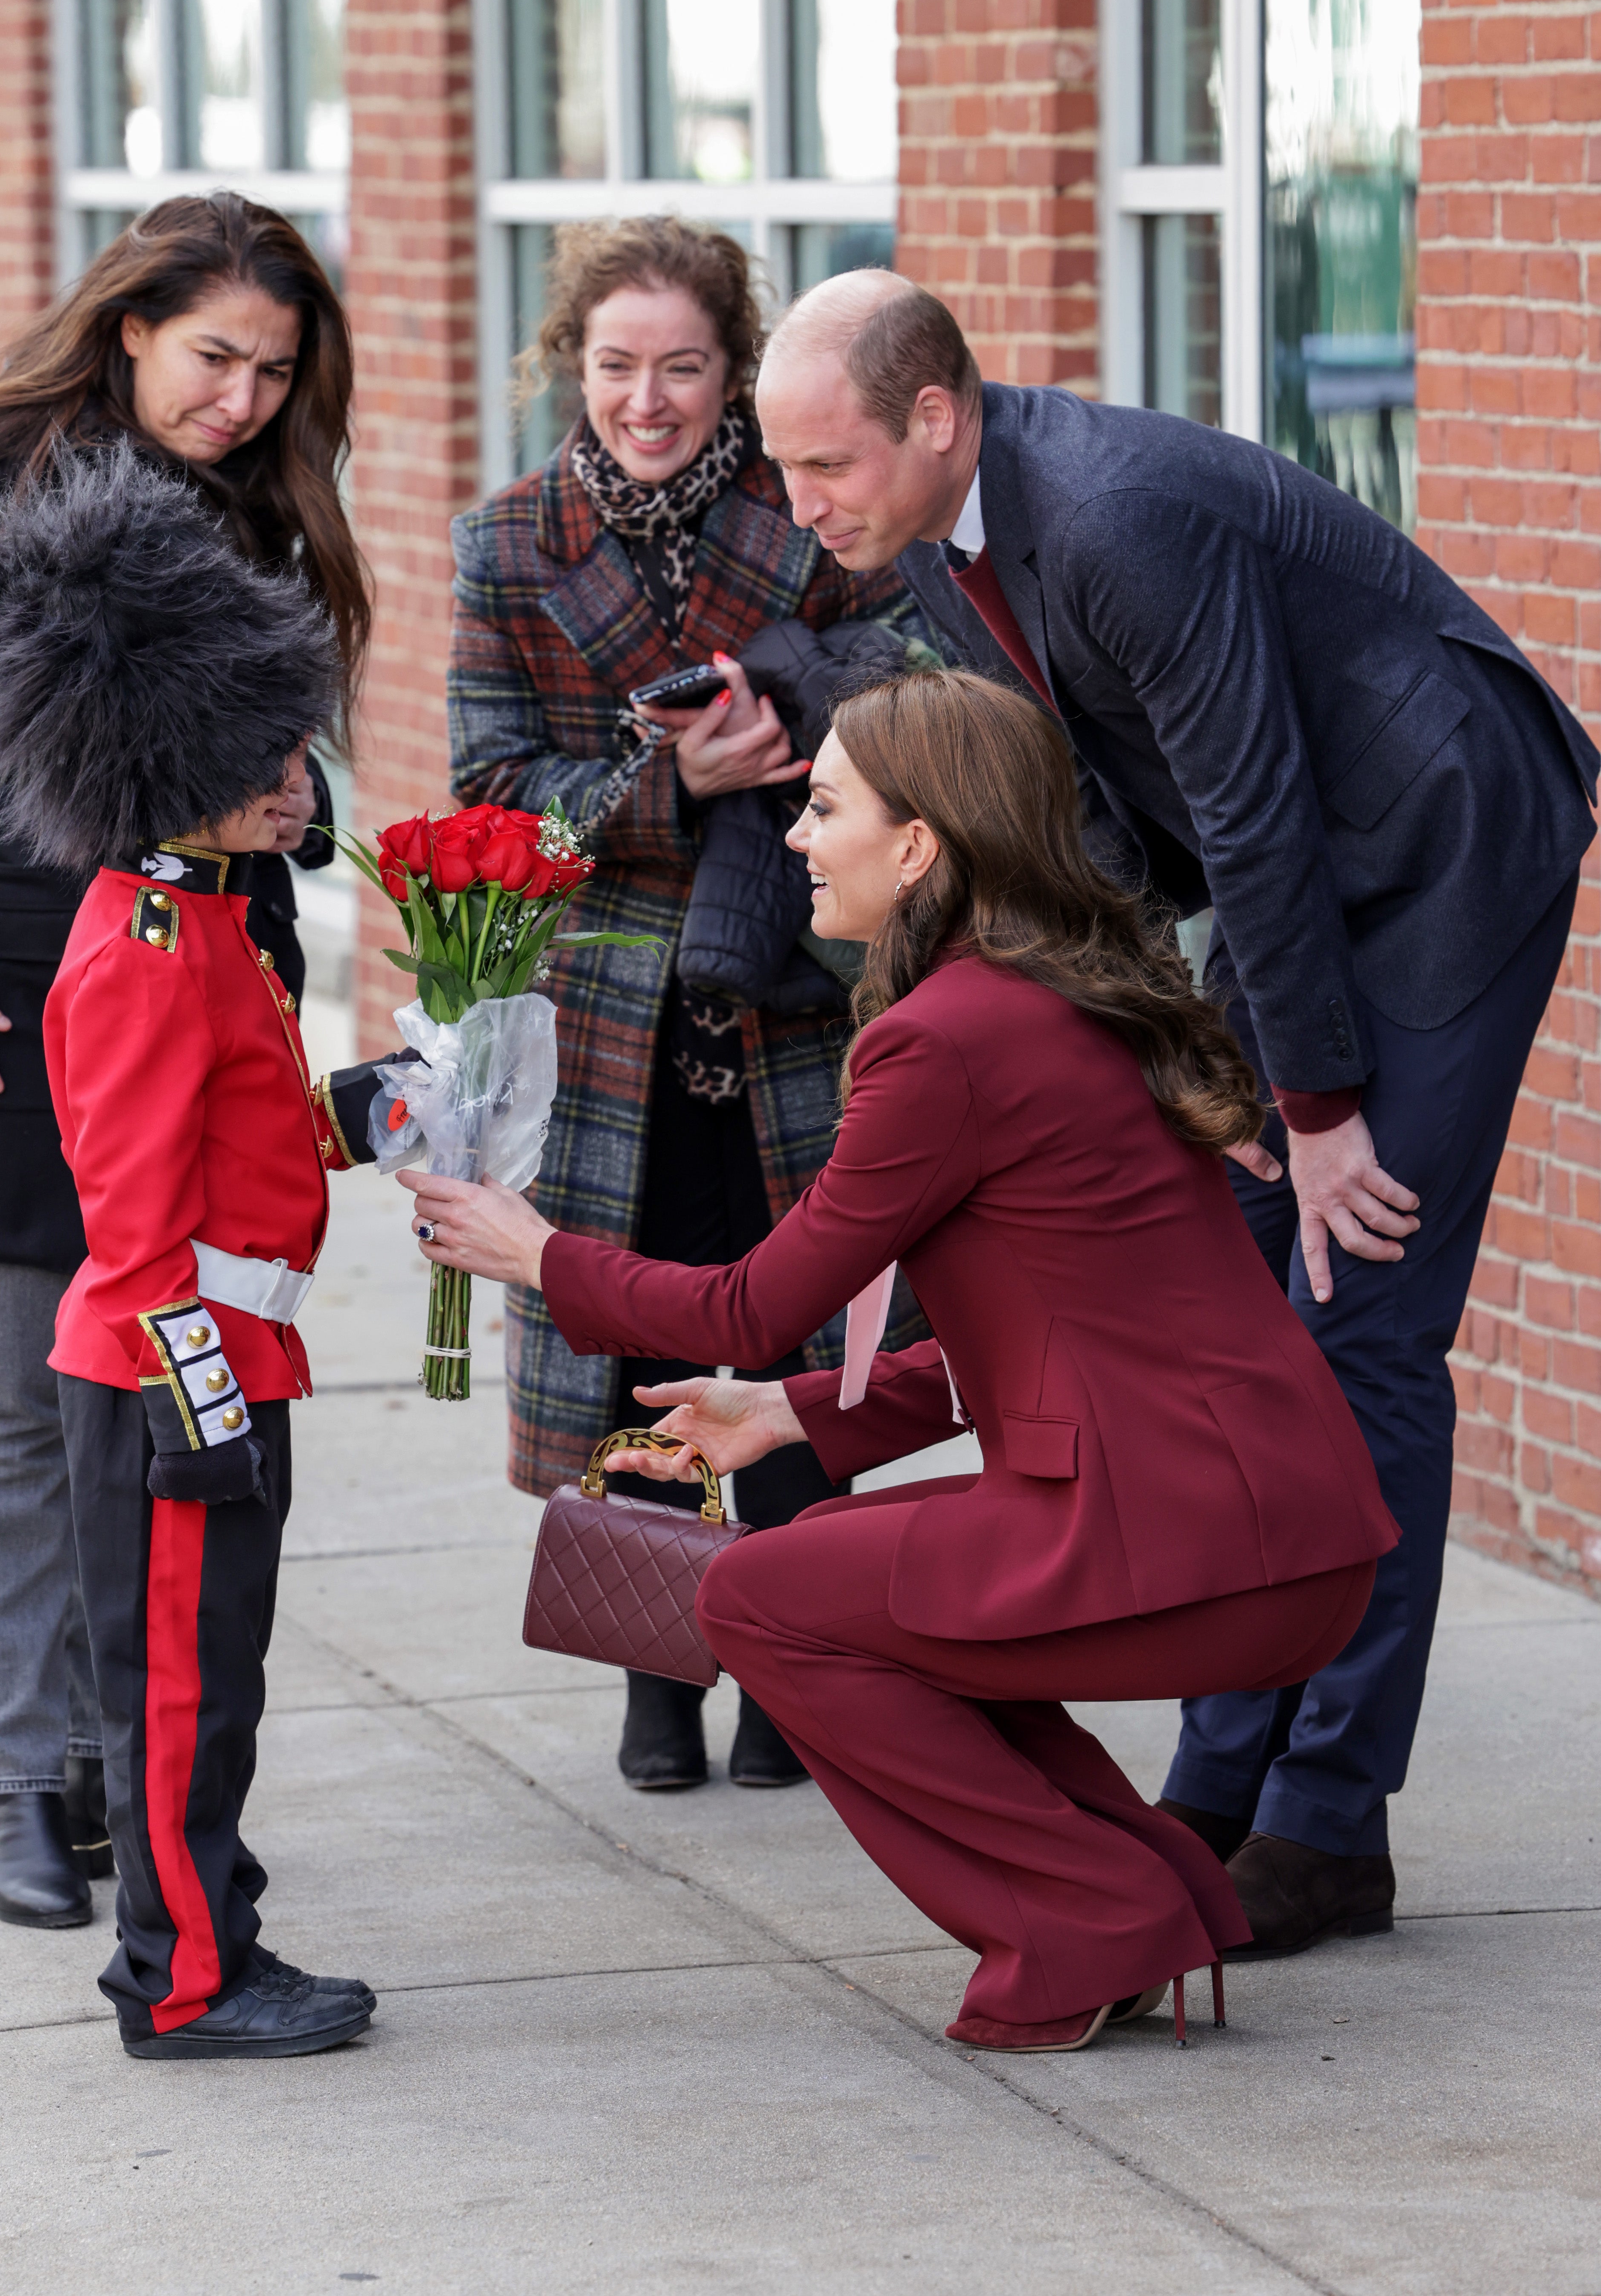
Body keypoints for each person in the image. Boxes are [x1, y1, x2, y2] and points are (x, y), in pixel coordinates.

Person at [740, 269, 1598, 1959]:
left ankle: (1326, 1823)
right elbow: (1112, 822)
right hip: (1307, 877)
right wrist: (1165, 1063)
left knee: (1356, 1318)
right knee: (1220, 1295)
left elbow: (1254, 817)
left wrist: (1313, 1106)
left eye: (823, 465)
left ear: (931, 418)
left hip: (1438, 838)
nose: (802, 507)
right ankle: (1221, 1779)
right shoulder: (944, 536)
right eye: (783, 472)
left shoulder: (1116, 520)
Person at [400, 669, 1399, 2053]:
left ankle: (1093, 1915)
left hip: (1191, 1537)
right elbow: (1056, 1326)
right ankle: (1145, 1890)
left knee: (761, 1595)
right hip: (1269, 1524)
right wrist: (787, 1414)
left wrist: (536, 1253)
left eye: (822, 807)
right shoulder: (1060, 999)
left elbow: (753, 1298)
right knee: (839, 1587)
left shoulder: (947, 1038)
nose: (797, 837)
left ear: (919, 843)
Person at [447, 217, 924, 1793]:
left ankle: (784, 1670)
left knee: (787, 1336)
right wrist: (665, 780)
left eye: (683, 366)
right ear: (567, 365)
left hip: (792, 988)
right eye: (614, 365)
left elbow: (912, 704)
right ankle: (656, 1669)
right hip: (605, 1024)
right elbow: (492, 804)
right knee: (626, 1345)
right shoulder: (508, 542)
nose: (646, 398)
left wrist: (793, 729)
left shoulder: (805, 525)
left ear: (734, 372)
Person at [0, 442, 400, 2060]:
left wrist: (386, 1112)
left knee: (216, 1691)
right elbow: (132, 1226)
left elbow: (247, 1139)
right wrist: (196, 1403)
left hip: (216, 1351)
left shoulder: (197, 916)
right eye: (269, 754)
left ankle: (206, 1909)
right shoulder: (143, 945)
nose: (298, 780)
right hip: (173, 1370)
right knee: (181, 1699)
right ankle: (182, 1981)